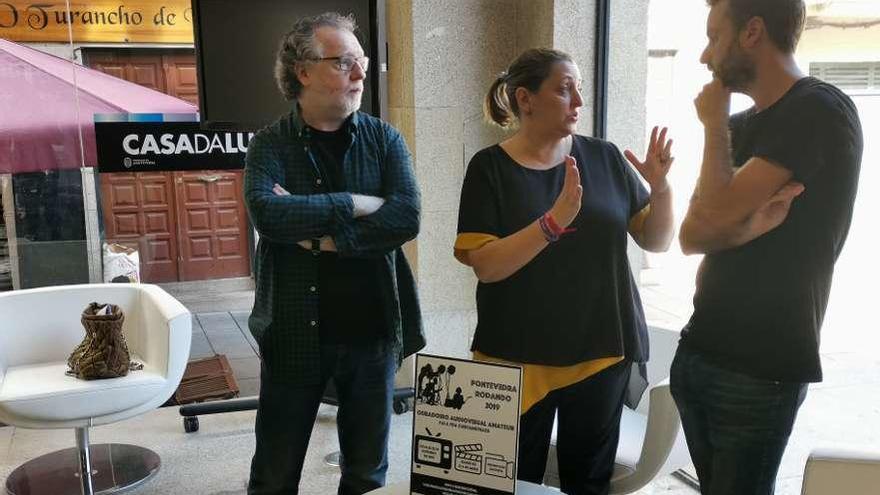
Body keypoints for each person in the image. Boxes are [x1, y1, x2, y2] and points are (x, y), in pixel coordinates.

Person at [453, 48, 675, 495]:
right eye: (564, 88)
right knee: (509, 482)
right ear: (525, 99)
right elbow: (487, 267)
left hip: (600, 348)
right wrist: (552, 222)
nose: (578, 101)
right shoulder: (489, 168)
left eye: (579, 89)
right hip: (514, 356)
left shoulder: (606, 158)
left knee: (588, 481)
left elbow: (655, 239)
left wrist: (662, 187)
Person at [672, 0, 863, 493]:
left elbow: (710, 212)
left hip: (759, 371)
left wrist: (713, 124)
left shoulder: (817, 108)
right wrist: (746, 227)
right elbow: (692, 236)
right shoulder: (740, 128)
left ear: (753, 32)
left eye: (715, 36)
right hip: (700, 351)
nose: (704, 56)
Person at [242, 12, 425, 495]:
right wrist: (356, 205)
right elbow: (268, 215)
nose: (361, 74)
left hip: (373, 330)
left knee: (365, 474)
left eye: (360, 62)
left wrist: (323, 238)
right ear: (303, 71)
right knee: (274, 475)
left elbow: (406, 218)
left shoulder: (384, 140)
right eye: (345, 63)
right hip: (293, 331)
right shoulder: (269, 145)